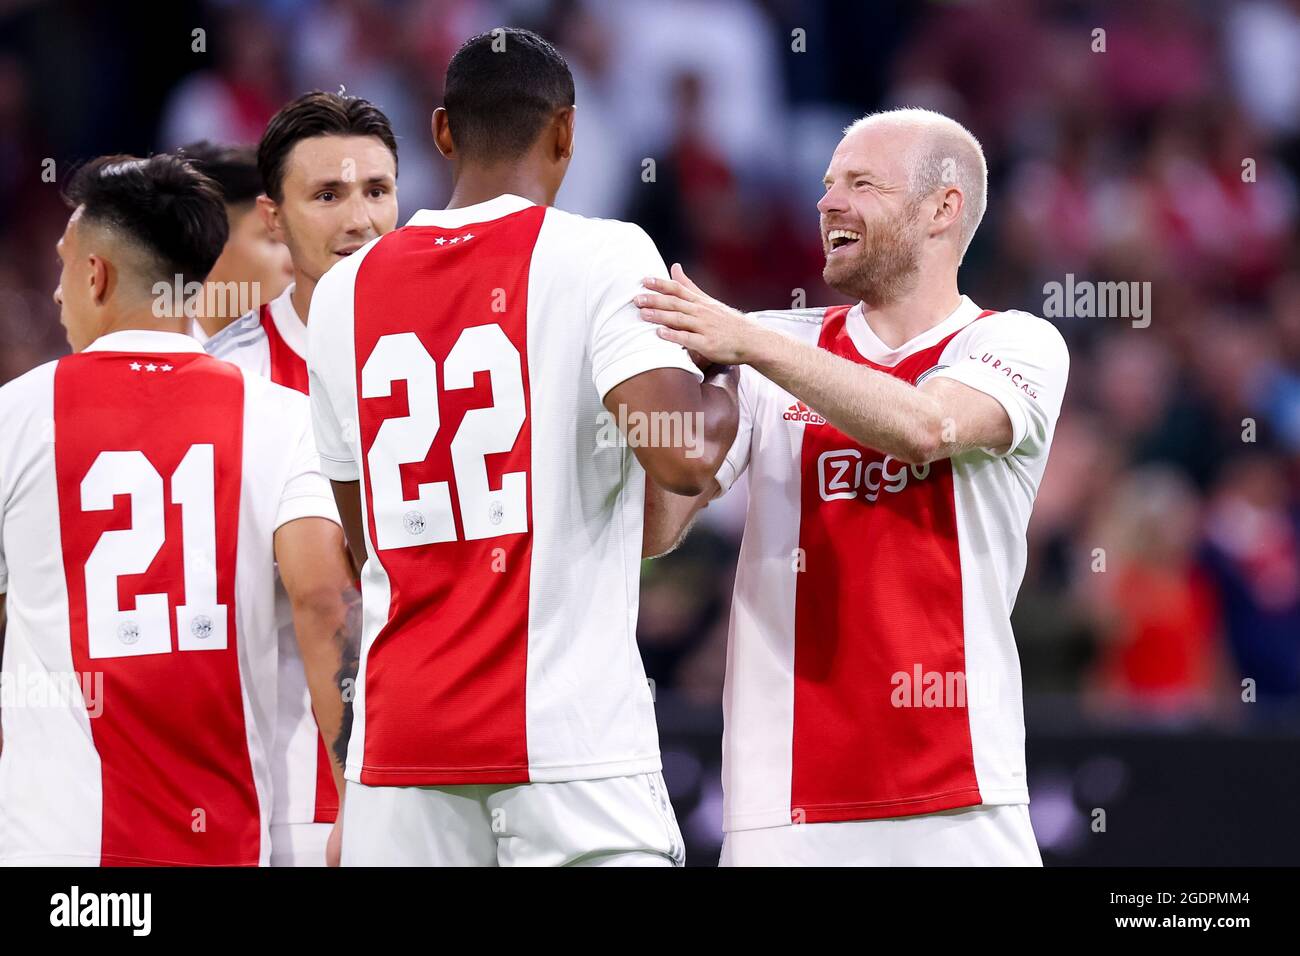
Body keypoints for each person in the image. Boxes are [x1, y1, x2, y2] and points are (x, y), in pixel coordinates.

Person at [308, 28, 738, 866]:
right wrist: (730, 375)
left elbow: (366, 541)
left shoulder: (344, 292)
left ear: (441, 132)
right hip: (569, 747)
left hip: (403, 755)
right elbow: (684, 453)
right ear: (568, 133)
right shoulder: (603, 254)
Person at [640, 109, 1070, 866]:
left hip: (962, 794)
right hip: (786, 804)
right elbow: (659, 524)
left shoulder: (1014, 343)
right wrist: (630, 402)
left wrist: (749, 340)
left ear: (944, 208)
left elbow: (927, 428)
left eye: (861, 183)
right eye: (827, 184)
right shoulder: (773, 350)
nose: (827, 203)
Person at [0, 154, 351, 865]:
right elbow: (326, 602)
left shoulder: (14, 418)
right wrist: (357, 796)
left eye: (67, 266)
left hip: (60, 864)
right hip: (228, 841)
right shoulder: (283, 419)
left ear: (95, 275)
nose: (60, 295)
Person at [204, 91, 399, 865]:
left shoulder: (463, 358)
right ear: (272, 219)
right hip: (296, 798)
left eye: (377, 191)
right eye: (328, 195)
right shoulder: (226, 378)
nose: (360, 221)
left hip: (457, 772)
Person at [176, 140, 292, 342]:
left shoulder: (311, 358)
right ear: (206, 244)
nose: (294, 263)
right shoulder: (145, 361)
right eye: (273, 239)